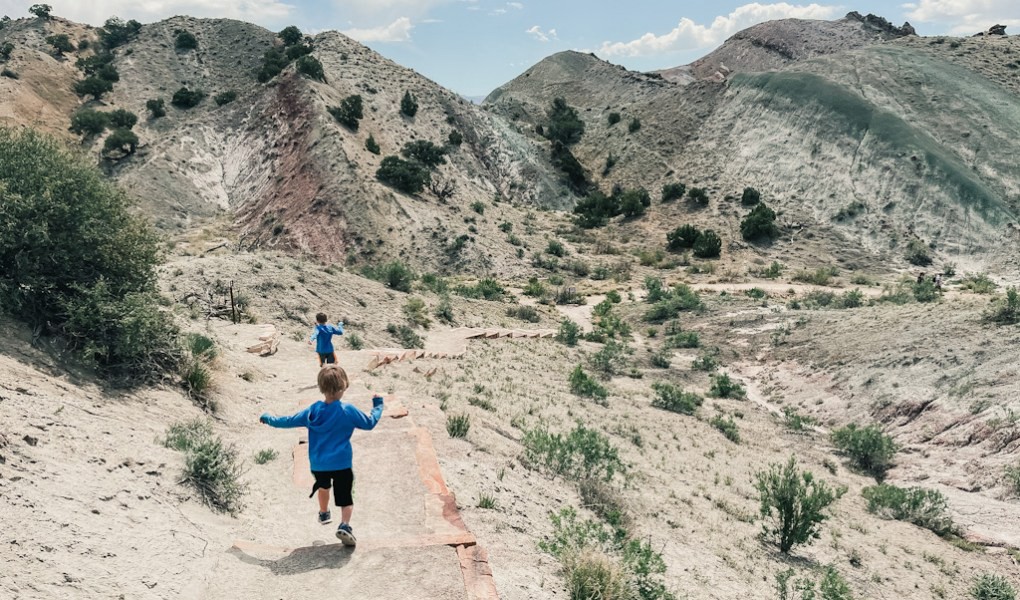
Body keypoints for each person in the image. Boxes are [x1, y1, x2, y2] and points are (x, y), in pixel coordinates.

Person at [259, 365, 384, 546]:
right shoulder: (347, 410)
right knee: (345, 495)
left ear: (321, 387)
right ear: (343, 386)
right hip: (341, 463)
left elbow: (288, 421)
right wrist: (378, 405)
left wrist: (269, 418)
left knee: (323, 487)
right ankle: (345, 525)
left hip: (318, 464)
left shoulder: (313, 411)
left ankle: (324, 512)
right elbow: (370, 423)